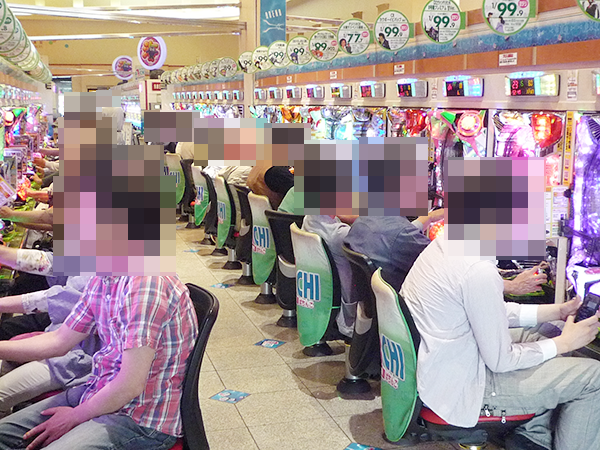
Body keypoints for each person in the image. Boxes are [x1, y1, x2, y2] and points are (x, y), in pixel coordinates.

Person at [400, 234, 600, 450]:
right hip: (464, 390)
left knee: (552, 330)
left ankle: (531, 438)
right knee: (593, 377)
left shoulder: (449, 242)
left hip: (442, 366)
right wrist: (564, 343)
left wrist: (557, 311)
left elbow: (488, 307)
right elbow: (501, 361)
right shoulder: (478, 270)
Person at [0, 276, 198, 450]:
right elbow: (59, 341)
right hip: (98, 391)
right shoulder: (103, 278)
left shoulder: (147, 285)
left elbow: (130, 385)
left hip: (141, 419)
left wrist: (74, 416)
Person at [0, 276, 97, 418]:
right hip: (56, 336)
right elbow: (56, 268)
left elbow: (58, 343)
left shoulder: (115, 283)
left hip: (75, 361)